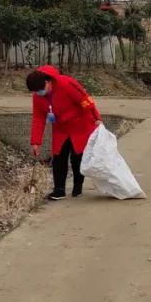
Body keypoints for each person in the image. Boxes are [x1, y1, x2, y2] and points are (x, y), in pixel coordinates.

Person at [26, 65, 103, 201]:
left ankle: (77, 186)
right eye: (36, 91)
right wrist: (36, 142)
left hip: (80, 124)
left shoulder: (66, 84)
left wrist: (96, 118)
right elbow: (38, 119)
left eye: (40, 90)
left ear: (48, 82)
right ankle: (59, 190)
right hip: (60, 128)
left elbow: (85, 100)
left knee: (77, 157)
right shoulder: (38, 96)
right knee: (59, 157)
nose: (39, 93)